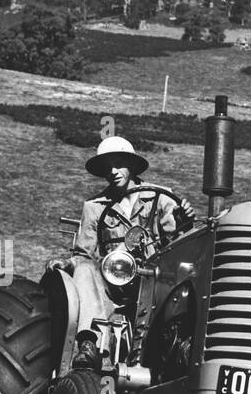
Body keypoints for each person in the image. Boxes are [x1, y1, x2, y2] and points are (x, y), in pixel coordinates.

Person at [48, 135, 196, 371]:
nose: (113, 171)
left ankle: (182, 350)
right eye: (107, 168)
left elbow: (175, 238)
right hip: (114, 283)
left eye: (118, 164)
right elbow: (84, 253)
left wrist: (183, 220)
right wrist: (68, 263)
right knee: (85, 269)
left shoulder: (161, 198)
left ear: (133, 166)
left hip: (157, 279)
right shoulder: (94, 207)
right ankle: (89, 344)